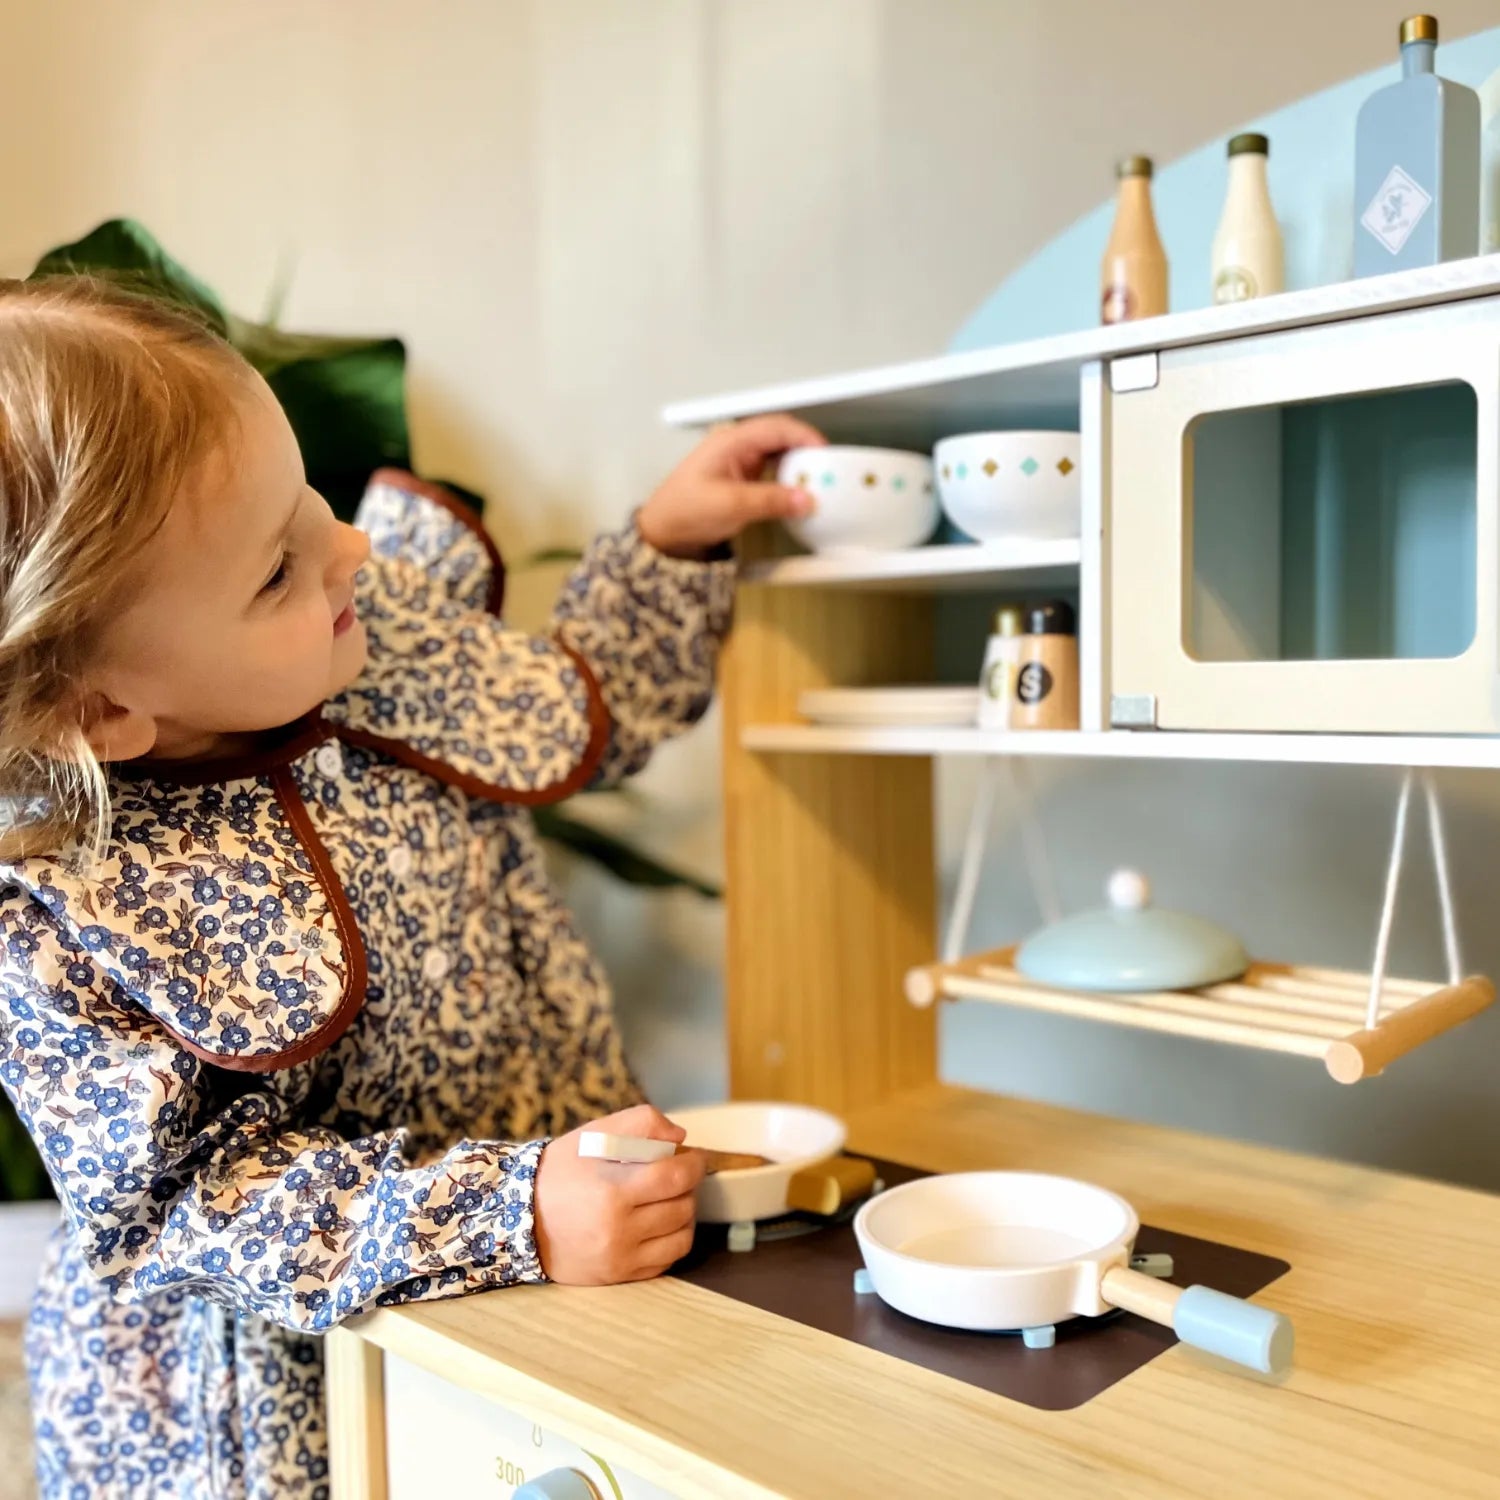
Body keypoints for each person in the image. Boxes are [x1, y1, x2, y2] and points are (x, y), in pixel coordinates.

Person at [0, 274, 822, 1499]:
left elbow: (563, 709)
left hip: (544, 1264)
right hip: (277, 1407)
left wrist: (671, 540)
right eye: (276, 570)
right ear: (107, 708)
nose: (346, 549)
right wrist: (510, 1214)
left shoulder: (352, 626)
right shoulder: (64, 913)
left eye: (310, 503)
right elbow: (196, 1205)